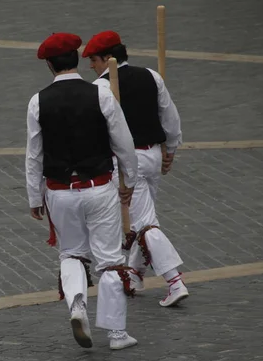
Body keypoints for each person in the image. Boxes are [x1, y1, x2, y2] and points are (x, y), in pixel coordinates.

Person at [26, 32, 140, 350]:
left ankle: (77, 304)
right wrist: (128, 181)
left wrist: (34, 197)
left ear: (49, 64)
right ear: (77, 58)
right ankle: (117, 334)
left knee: (71, 252)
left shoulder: (38, 101)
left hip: (59, 190)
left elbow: (33, 154)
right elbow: (123, 143)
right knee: (109, 259)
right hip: (99, 186)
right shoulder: (101, 94)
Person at [82, 30, 189, 307]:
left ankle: (174, 280)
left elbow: (98, 135)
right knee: (145, 218)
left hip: (127, 162)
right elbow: (170, 115)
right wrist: (171, 149)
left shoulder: (100, 89)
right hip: (153, 154)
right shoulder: (151, 76)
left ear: (107, 59)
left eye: (93, 60)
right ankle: (136, 274)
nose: (91, 66)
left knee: (144, 223)